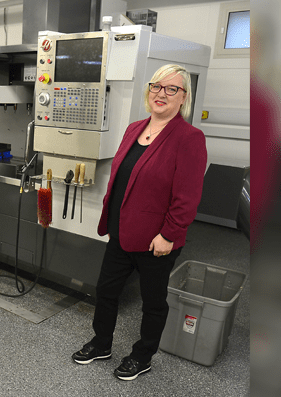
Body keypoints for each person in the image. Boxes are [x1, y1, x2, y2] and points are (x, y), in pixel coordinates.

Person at [71, 64, 207, 380]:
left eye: (171, 89)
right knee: (106, 291)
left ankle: (142, 355)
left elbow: (187, 197)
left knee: (153, 302)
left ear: (183, 96)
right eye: (157, 86)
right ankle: (102, 343)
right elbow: (122, 178)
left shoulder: (189, 138)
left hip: (156, 241)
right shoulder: (135, 129)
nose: (161, 93)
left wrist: (169, 235)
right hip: (121, 232)